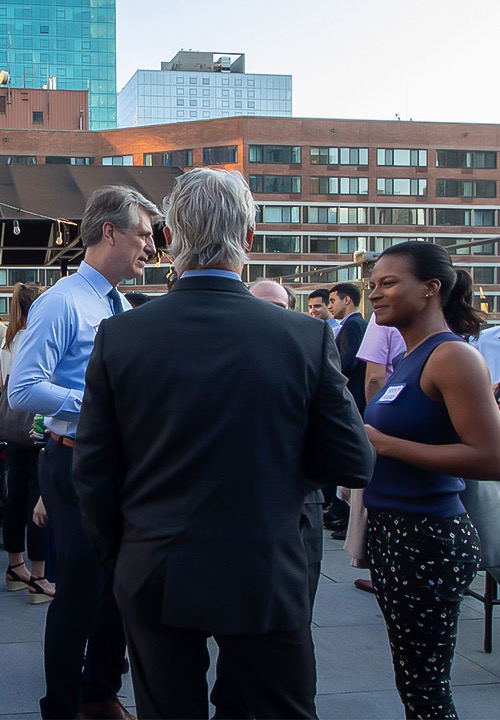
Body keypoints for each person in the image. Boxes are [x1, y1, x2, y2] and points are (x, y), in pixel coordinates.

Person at [73, 168, 375, 720]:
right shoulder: (302, 337)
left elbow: (93, 472)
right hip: (265, 566)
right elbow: (353, 459)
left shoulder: (121, 334)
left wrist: (125, 558)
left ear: (170, 241)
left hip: (153, 565)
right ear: (251, 240)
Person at [9, 185, 160, 720]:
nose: (151, 246)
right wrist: (100, 400)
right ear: (109, 232)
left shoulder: (117, 302)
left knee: (118, 588)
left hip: (116, 464)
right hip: (74, 460)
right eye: (143, 235)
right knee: (79, 593)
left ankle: (99, 692)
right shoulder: (62, 301)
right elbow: (24, 390)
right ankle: (64, 706)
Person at [363, 240, 500, 720]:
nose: (375, 293)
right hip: (397, 533)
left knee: (425, 688)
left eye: (388, 283)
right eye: (372, 284)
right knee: (414, 680)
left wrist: (384, 444)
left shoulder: (451, 357)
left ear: (431, 289)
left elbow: (490, 457)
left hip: (427, 536)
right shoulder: (411, 357)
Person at [2, 282, 55, 604]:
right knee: (39, 501)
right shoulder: (38, 339)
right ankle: (38, 576)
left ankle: (15, 569)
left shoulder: (7, 343)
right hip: (36, 428)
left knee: (15, 498)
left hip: (12, 432)